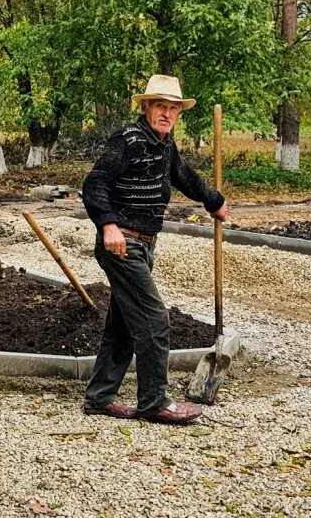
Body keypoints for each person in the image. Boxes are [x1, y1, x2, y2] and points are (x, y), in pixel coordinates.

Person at [81, 75, 228, 424]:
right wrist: (108, 224)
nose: (167, 113)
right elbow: (95, 183)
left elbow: (183, 176)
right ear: (145, 107)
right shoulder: (127, 139)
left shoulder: (164, 144)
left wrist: (214, 201)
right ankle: (154, 402)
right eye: (160, 106)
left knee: (122, 325)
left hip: (145, 244)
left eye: (173, 108)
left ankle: (100, 397)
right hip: (123, 243)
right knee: (154, 319)